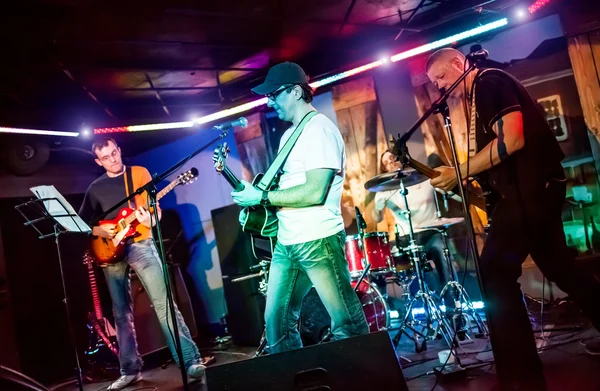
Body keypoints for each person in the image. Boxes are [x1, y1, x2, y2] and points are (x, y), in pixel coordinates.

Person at [425, 47, 600, 390]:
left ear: (459, 64)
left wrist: (459, 172)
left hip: (530, 193)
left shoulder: (489, 82)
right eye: (433, 84)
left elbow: (513, 138)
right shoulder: (480, 93)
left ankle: (522, 375)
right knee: (561, 268)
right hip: (533, 192)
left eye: (441, 78)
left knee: (495, 272)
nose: (439, 88)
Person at [231, 62, 369, 353]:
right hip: (287, 242)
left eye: (275, 94)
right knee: (276, 322)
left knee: (345, 322)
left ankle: (370, 376)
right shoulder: (288, 135)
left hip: (318, 240)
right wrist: (259, 205)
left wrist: (262, 199)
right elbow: (287, 190)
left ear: (295, 92)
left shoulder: (319, 130)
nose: (270, 102)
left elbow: (314, 191)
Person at [79, 138, 207, 390]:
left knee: (163, 304)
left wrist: (148, 217)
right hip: (109, 251)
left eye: (114, 153)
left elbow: (154, 215)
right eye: (106, 157)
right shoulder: (95, 188)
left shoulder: (139, 173)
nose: (113, 159)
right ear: (98, 161)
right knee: (120, 313)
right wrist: (103, 233)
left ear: (119, 149)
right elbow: (83, 223)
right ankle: (129, 370)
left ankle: (190, 362)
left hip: (141, 244)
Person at [371, 150, 456, 310]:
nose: (390, 163)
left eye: (392, 158)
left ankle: (452, 306)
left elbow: (449, 192)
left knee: (440, 251)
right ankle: (401, 309)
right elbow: (376, 217)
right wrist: (377, 209)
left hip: (431, 232)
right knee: (380, 264)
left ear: (401, 158)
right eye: (385, 163)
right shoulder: (385, 188)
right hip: (404, 237)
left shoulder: (424, 178)